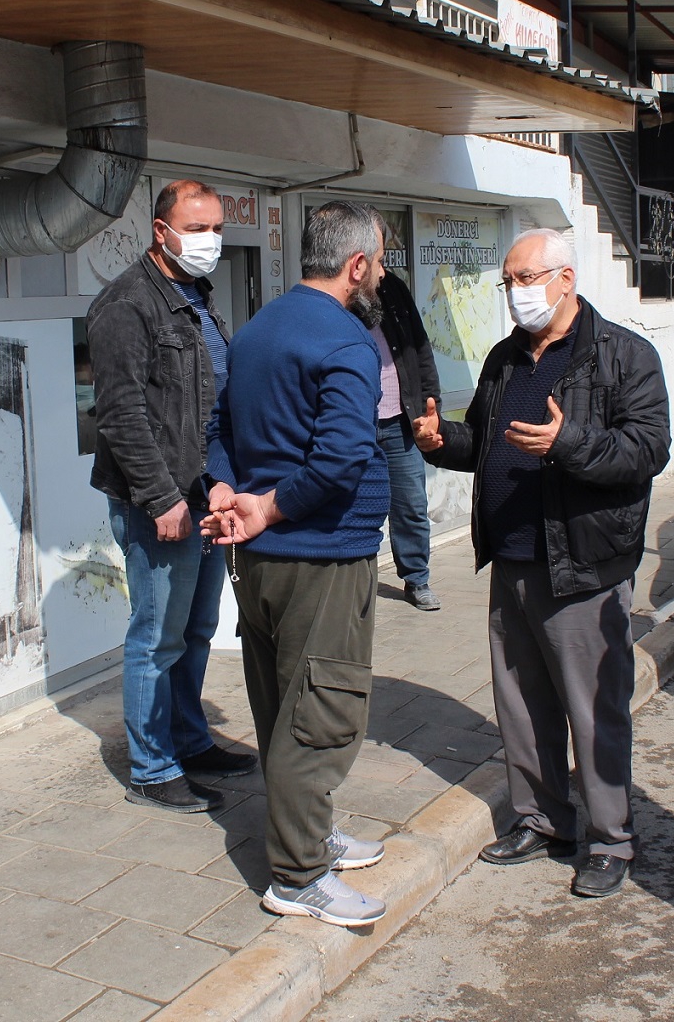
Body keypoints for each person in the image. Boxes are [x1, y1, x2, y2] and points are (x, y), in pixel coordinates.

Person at [413, 228, 670, 901]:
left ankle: (610, 839)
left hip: (582, 563)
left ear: (564, 279)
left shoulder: (623, 355)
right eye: (508, 281)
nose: (515, 293)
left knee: (592, 712)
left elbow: (645, 452)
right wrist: (443, 442)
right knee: (521, 706)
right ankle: (541, 820)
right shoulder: (505, 358)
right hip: (512, 558)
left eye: (525, 278)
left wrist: (567, 442)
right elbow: (486, 443)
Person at [202, 200, 392, 928]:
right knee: (322, 712)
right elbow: (341, 459)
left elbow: (218, 429)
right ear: (355, 265)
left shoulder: (254, 330)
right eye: (377, 261)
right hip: (318, 556)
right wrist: (268, 508)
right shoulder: (345, 341)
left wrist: (224, 489)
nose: (378, 273)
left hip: (260, 564)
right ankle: (298, 876)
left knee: (282, 704)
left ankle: (306, 834)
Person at [87, 179, 257, 814]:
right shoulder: (127, 305)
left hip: (202, 494)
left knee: (198, 629)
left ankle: (190, 739)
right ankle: (153, 768)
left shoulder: (195, 297)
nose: (210, 240)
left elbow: (203, 412)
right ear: (162, 231)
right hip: (157, 500)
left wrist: (216, 483)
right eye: (198, 227)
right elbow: (122, 414)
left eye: (217, 227)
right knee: (158, 635)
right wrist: (161, 498)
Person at [372, 257, 444, 611]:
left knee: (411, 506)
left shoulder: (393, 289)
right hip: (358, 425)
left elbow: (421, 350)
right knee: (358, 505)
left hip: (401, 421)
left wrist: (432, 406)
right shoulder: (337, 296)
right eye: (376, 259)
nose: (382, 268)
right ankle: (358, 580)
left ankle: (417, 579)